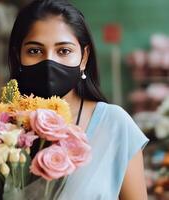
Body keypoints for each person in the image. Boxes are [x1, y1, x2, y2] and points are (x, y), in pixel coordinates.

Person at [8, 0, 149, 199]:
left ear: (84, 57)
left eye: (64, 51)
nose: (50, 62)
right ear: (18, 55)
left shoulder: (115, 125)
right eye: (34, 51)